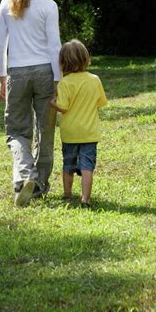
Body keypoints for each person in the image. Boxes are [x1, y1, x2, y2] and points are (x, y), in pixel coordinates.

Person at [0, 0, 61, 207]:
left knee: (16, 131)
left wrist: (3, 77)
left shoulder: (6, 4)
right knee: (45, 131)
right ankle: (38, 186)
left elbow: (1, 46)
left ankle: (24, 175)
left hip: (17, 74)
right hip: (45, 72)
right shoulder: (48, 6)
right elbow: (55, 46)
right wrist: (58, 79)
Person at [51, 39, 108, 208]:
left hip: (70, 133)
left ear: (63, 63)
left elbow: (64, 107)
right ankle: (85, 199)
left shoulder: (65, 83)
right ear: (85, 58)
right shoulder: (95, 80)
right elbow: (101, 102)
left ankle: (68, 195)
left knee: (68, 165)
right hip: (89, 132)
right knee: (87, 167)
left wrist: (52, 102)